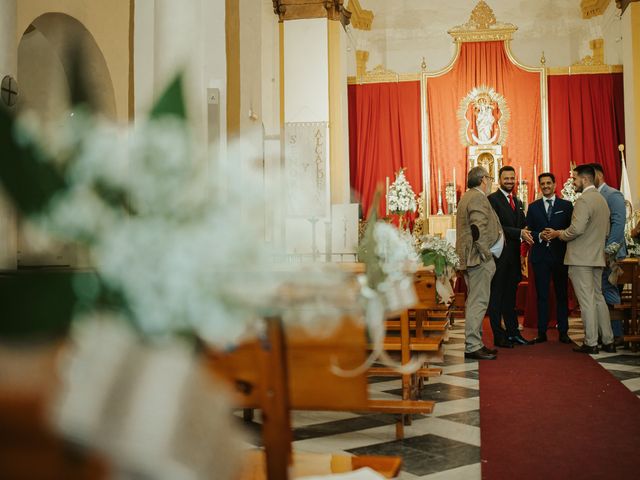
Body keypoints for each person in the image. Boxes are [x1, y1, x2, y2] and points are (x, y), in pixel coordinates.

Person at [545, 164, 615, 354]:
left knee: (586, 301)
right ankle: (608, 340)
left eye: (575, 179)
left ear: (585, 180)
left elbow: (576, 229)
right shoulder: (601, 200)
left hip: (581, 258)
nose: (573, 182)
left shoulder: (584, 200)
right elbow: (607, 231)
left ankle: (591, 342)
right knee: (598, 298)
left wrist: (559, 233)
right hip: (596, 256)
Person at [456, 166, 503, 360]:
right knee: (479, 301)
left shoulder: (468, 196)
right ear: (483, 179)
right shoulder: (477, 197)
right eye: (490, 178)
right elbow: (478, 229)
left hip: (472, 256)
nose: (491, 182)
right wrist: (486, 254)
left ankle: (476, 342)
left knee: (474, 300)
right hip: (478, 258)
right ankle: (473, 345)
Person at [487, 166, 534, 348]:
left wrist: (534, 230)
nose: (509, 181)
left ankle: (513, 334)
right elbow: (496, 229)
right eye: (506, 178)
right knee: (497, 298)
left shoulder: (518, 201)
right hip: (499, 258)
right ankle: (499, 336)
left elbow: (523, 225)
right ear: (499, 180)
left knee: (510, 299)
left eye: (512, 178)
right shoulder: (492, 200)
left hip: (514, 258)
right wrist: (520, 232)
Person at [526, 172, 573, 344]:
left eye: (548, 183)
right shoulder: (533, 207)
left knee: (561, 295)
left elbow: (571, 230)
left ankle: (563, 332)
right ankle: (541, 332)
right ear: (540, 186)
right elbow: (528, 230)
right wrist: (540, 236)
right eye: (542, 184)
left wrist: (557, 234)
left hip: (560, 256)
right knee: (542, 296)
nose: (545, 186)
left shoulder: (566, 206)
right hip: (540, 257)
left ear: (554, 184)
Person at [591, 163, 627, 345]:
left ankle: (617, 334)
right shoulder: (593, 196)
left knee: (609, 289)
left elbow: (618, 224)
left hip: (610, 254)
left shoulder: (612, 195)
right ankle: (604, 333)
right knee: (599, 292)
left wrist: (608, 251)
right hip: (596, 253)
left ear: (598, 175)